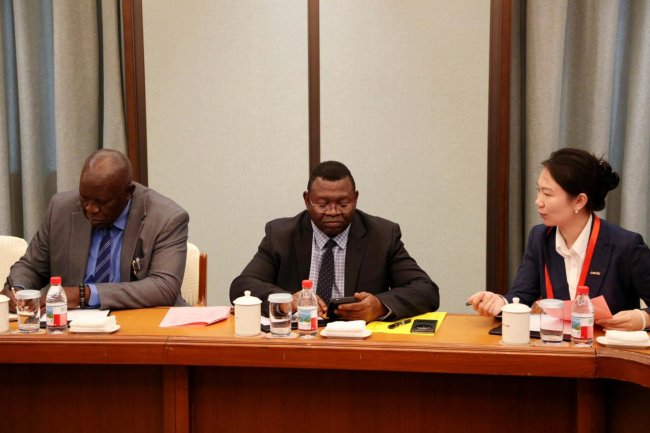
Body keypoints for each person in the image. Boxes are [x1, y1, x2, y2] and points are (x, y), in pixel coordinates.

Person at [230, 161, 439, 322]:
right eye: (322, 204)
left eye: (343, 204)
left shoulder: (382, 236)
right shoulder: (281, 235)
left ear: (355, 198)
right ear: (307, 200)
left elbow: (426, 290)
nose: (333, 212)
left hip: (359, 344)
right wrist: (286, 301)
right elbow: (242, 286)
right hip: (299, 339)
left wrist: (380, 306)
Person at [467, 148, 650, 331]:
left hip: (606, 345)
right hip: (557, 344)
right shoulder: (540, 238)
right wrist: (500, 302)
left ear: (579, 201)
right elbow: (521, 295)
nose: (538, 201)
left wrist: (644, 318)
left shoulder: (626, 245)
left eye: (547, 194)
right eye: (539, 191)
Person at [2, 149, 189, 310]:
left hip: (141, 325)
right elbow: (31, 267)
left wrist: (86, 294)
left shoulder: (166, 218)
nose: (90, 209)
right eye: (84, 199)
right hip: (73, 328)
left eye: (102, 202)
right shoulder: (60, 209)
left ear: (128, 193)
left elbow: (163, 287)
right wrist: (18, 289)